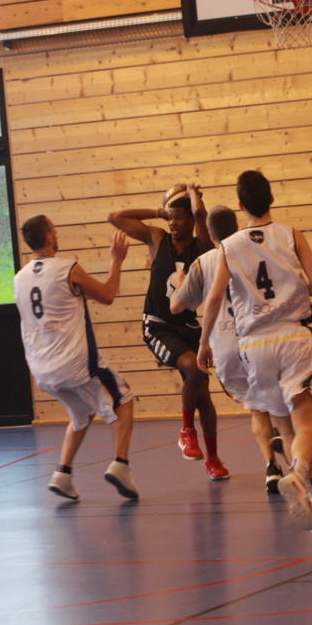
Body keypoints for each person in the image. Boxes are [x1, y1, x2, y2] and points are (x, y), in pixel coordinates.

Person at [197, 171, 312, 530]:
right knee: (306, 425)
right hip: (292, 336)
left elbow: (215, 296)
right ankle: (299, 476)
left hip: (254, 345)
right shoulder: (291, 234)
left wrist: (203, 342)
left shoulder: (229, 246)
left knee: (285, 429)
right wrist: (297, 291)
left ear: (240, 205)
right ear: (271, 198)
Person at [108, 184, 229, 482]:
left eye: (178, 217)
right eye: (170, 217)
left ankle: (213, 459)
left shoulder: (202, 247)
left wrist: (193, 195)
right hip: (158, 325)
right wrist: (159, 212)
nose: (173, 222)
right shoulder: (156, 238)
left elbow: (200, 213)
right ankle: (186, 430)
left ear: (190, 219)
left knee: (204, 394)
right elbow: (116, 217)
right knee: (193, 369)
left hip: (188, 326)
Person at [14, 215, 138, 502]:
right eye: (54, 229)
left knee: (82, 412)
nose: (57, 233)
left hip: (41, 370)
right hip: (75, 363)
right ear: (49, 238)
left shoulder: (19, 279)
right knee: (124, 398)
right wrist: (116, 261)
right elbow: (107, 295)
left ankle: (62, 474)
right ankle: (121, 465)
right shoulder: (67, 268)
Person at [169, 204, 286, 493]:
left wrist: (180, 285)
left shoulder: (204, 262)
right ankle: (281, 451)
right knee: (271, 401)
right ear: (236, 228)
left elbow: (176, 307)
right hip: (260, 339)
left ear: (210, 234)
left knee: (257, 406)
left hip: (226, 347)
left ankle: (272, 465)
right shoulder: (256, 249)